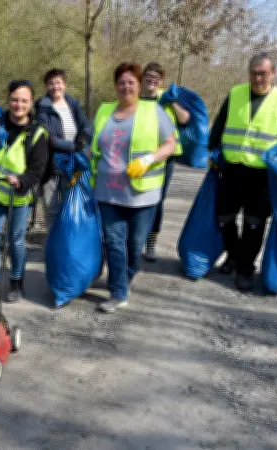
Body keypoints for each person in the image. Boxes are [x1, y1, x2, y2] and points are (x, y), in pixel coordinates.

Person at [89, 63, 177, 313]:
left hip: (143, 194)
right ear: (115, 86)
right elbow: (94, 146)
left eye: (131, 82)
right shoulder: (104, 110)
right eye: (121, 82)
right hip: (107, 191)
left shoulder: (154, 111)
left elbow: (170, 145)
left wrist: (149, 159)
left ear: (139, 86)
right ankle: (118, 291)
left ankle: (125, 276)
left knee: (134, 245)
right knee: (114, 242)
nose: (126, 87)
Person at [209, 51, 277, 292]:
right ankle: (234, 255)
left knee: (253, 224)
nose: (258, 78)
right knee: (224, 218)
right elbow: (218, 127)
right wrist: (212, 152)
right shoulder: (236, 94)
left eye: (263, 73)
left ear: (273, 73)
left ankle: (246, 268)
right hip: (232, 170)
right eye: (254, 73)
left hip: (261, 177)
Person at [0, 80, 49, 307]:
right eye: (15, 99)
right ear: (9, 100)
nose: (19, 104)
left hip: (19, 196)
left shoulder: (37, 133)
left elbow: (38, 169)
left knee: (16, 241)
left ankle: (16, 281)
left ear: (30, 104)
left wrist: (22, 181)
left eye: (24, 100)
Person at [140, 62, 191, 261]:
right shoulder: (135, 97)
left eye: (157, 78)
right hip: (139, 155)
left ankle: (151, 242)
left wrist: (173, 103)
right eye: (149, 76)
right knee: (137, 197)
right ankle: (136, 238)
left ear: (161, 81)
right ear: (143, 77)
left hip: (166, 157)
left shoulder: (166, 97)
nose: (152, 80)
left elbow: (185, 119)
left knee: (157, 200)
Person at [34, 68, 92, 231]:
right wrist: (75, 147)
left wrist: (84, 136)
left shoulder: (73, 104)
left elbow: (86, 124)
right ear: (46, 86)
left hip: (73, 165)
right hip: (51, 166)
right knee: (52, 209)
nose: (55, 86)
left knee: (72, 206)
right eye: (51, 83)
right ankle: (54, 245)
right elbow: (48, 138)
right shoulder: (42, 107)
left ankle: (69, 243)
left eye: (58, 82)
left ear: (64, 84)